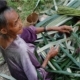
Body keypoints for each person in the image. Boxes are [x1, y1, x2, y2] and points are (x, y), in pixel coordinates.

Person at [0, 1, 72, 80]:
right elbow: (36, 78)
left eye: (18, 18)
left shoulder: (3, 37)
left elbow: (27, 31)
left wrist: (55, 28)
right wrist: (48, 56)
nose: (20, 24)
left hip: (17, 72)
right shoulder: (21, 50)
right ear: (3, 30)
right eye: (15, 23)